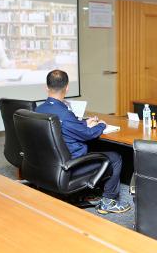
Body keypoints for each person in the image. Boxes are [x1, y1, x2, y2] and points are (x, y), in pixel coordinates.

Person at [36, 70, 130, 214]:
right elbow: (87, 135)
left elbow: (67, 128)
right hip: (70, 165)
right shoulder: (65, 114)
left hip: (48, 164)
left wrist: (85, 123)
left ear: (46, 87)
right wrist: (101, 125)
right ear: (67, 88)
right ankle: (108, 202)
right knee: (115, 157)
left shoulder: (38, 110)